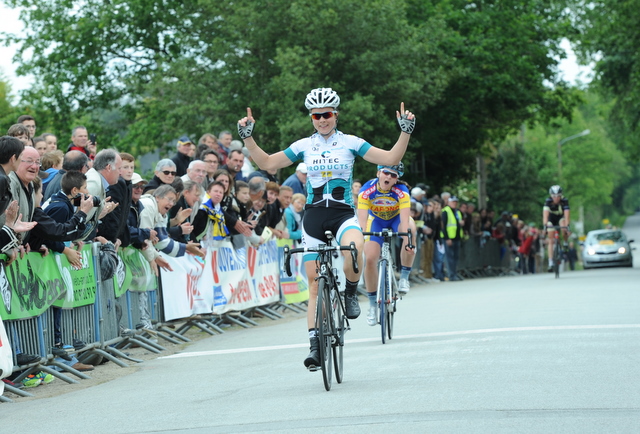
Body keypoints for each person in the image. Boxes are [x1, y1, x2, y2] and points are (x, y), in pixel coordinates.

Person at [237, 87, 415, 369]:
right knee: (313, 285)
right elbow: (268, 163)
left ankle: (349, 292)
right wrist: (248, 138)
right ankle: (315, 347)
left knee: (355, 249)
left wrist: (405, 132)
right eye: (317, 115)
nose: (322, 119)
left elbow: (390, 159)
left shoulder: (351, 142)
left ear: (336, 115)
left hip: (343, 214)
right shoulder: (304, 146)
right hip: (314, 218)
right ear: (311, 117)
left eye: (327, 114)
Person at [357, 163, 416, 326]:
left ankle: (404, 276)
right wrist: (361, 239)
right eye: (386, 173)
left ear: (397, 179)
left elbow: (404, 220)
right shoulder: (366, 190)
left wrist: (407, 241)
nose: (389, 177)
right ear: (378, 173)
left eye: (394, 175)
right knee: (370, 259)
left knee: (411, 228)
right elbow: (362, 221)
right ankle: (372, 305)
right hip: (375, 221)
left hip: (396, 219)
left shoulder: (402, 192)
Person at [542, 185, 570, 272]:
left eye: (558, 196)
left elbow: (566, 214)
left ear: (561, 195)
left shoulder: (564, 201)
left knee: (563, 226)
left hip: (561, 217)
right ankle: (550, 263)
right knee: (551, 240)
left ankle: (565, 242)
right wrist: (545, 226)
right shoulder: (548, 201)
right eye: (554, 196)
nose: (556, 198)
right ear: (551, 195)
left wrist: (567, 226)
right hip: (551, 219)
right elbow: (545, 215)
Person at [441, 196, 464, 281]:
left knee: (455, 257)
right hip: (449, 238)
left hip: (457, 237)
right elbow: (443, 226)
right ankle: (451, 275)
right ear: (449, 202)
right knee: (450, 257)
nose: (455, 203)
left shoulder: (457, 212)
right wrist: (447, 238)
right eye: (453, 202)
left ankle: (454, 273)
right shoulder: (445, 211)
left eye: (456, 202)